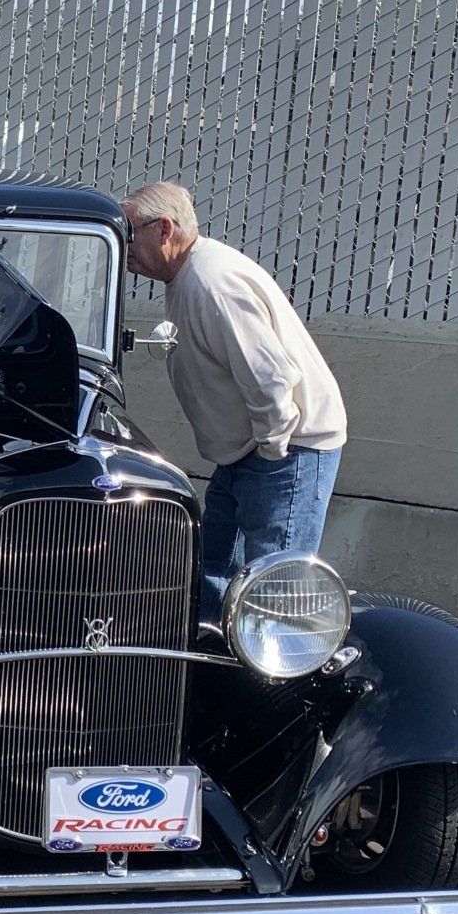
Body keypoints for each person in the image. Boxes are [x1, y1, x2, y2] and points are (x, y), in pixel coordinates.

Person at [121, 180, 348, 606]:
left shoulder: (212, 283)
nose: (124, 243)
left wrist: (270, 452)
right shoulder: (187, 277)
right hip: (247, 452)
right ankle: (210, 660)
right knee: (215, 573)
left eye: (130, 232)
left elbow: (272, 378)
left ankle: (269, 672)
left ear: (164, 229)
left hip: (284, 450)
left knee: (271, 590)